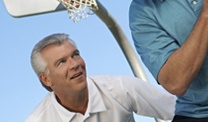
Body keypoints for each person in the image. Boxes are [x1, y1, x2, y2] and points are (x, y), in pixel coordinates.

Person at [26, 33, 176, 122]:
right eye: (62, 62)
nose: (74, 64)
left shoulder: (119, 88)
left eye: (75, 55)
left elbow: (182, 110)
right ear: (46, 79)